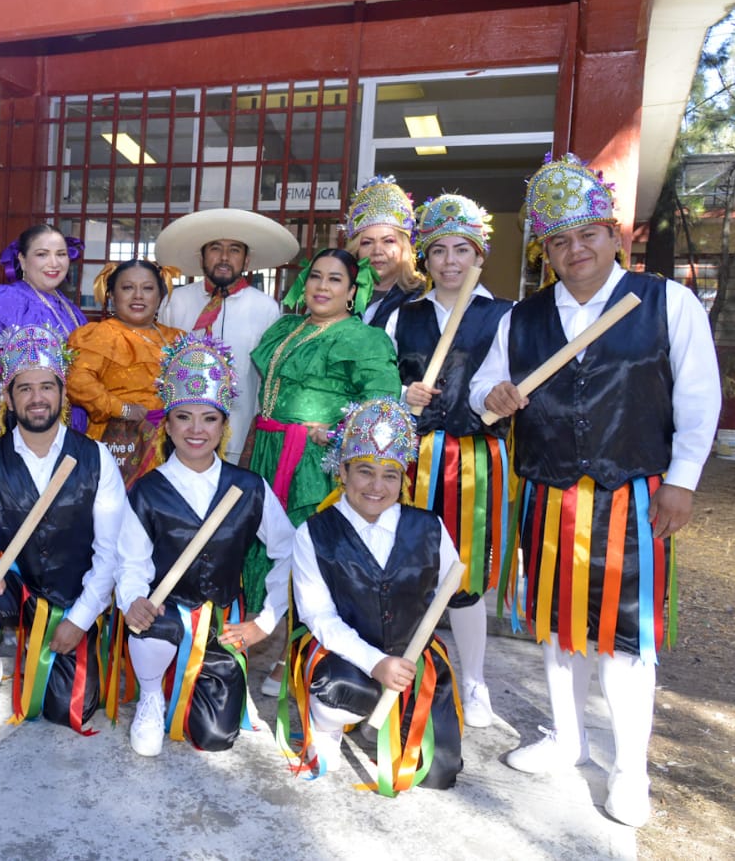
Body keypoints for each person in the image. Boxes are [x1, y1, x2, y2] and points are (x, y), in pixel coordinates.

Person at [471, 154, 718, 828]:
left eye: (586, 234)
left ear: (615, 235)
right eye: (558, 239)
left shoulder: (664, 302)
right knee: (557, 626)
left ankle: (628, 767)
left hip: (631, 497)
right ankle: (565, 737)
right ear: (543, 249)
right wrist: (488, 394)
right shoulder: (518, 320)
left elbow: (698, 397)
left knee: (625, 635)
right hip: (549, 495)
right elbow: (483, 392)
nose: (573, 250)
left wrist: (681, 481)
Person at [116, 333, 297, 756]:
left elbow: (288, 551)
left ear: (223, 424)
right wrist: (133, 598)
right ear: (168, 423)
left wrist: (264, 622)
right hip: (165, 612)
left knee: (216, 738)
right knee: (151, 632)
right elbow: (131, 561)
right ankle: (149, 695)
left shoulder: (250, 487)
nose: (196, 430)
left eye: (209, 418)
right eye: (183, 417)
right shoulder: (146, 490)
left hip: (220, 623)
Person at [0, 325, 127, 734]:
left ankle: (45, 645)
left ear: (63, 394)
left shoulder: (95, 457)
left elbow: (110, 552)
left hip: (71, 592)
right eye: (24, 388)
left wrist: (80, 618)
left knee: (68, 712)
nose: (37, 398)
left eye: (47, 386)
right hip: (14, 585)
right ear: (8, 398)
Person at [279, 398, 463, 794]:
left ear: (403, 478)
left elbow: (449, 586)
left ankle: (383, 719)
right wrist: (375, 662)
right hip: (346, 658)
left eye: (389, 475)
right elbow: (318, 616)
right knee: (341, 694)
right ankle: (328, 726)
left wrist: (401, 661)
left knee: (436, 772)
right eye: (365, 472)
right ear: (342, 472)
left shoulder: (430, 528)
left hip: (412, 661)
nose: (377, 487)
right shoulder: (313, 533)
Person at [383, 194, 514, 729]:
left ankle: (476, 681)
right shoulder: (401, 316)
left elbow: (502, 385)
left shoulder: (505, 315)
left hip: (473, 460)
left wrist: (492, 401)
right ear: (426, 258)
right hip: (412, 457)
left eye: (463, 249)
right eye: (439, 251)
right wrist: (400, 395)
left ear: (479, 255)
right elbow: (381, 385)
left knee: (465, 573)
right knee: (408, 566)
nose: (451, 261)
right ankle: (397, 669)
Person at [243, 249, 400, 616]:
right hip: (268, 451)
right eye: (316, 276)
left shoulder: (364, 339)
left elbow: (381, 407)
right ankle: (268, 629)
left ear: (351, 291)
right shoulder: (286, 327)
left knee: (309, 548)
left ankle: (301, 651)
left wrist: (337, 433)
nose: (322, 286)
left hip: (316, 463)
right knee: (264, 545)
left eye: (335, 279)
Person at [155, 209, 300, 463]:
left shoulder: (266, 308)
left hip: (239, 433)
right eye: (215, 248)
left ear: (246, 260)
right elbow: (159, 367)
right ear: (201, 257)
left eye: (234, 249)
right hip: (182, 435)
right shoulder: (174, 301)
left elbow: (268, 376)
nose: (224, 257)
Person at [0, 224, 89, 445]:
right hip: (17, 422)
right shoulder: (8, 299)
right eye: (42, 254)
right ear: (22, 260)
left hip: (68, 421)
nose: (54, 263)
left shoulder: (71, 309)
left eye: (60, 254)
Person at [67, 259, 185, 486]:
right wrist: (121, 408)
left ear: (160, 295)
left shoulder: (177, 337)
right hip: (121, 441)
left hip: (172, 444)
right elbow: (78, 382)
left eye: (148, 288)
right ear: (111, 294)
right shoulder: (100, 335)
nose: (138, 296)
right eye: (128, 287)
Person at [347, 176, 427, 327]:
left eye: (388, 241)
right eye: (367, 242)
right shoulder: (340, 293)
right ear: (356, 250)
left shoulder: (423, 297)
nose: (377, 251)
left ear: (404, 247)